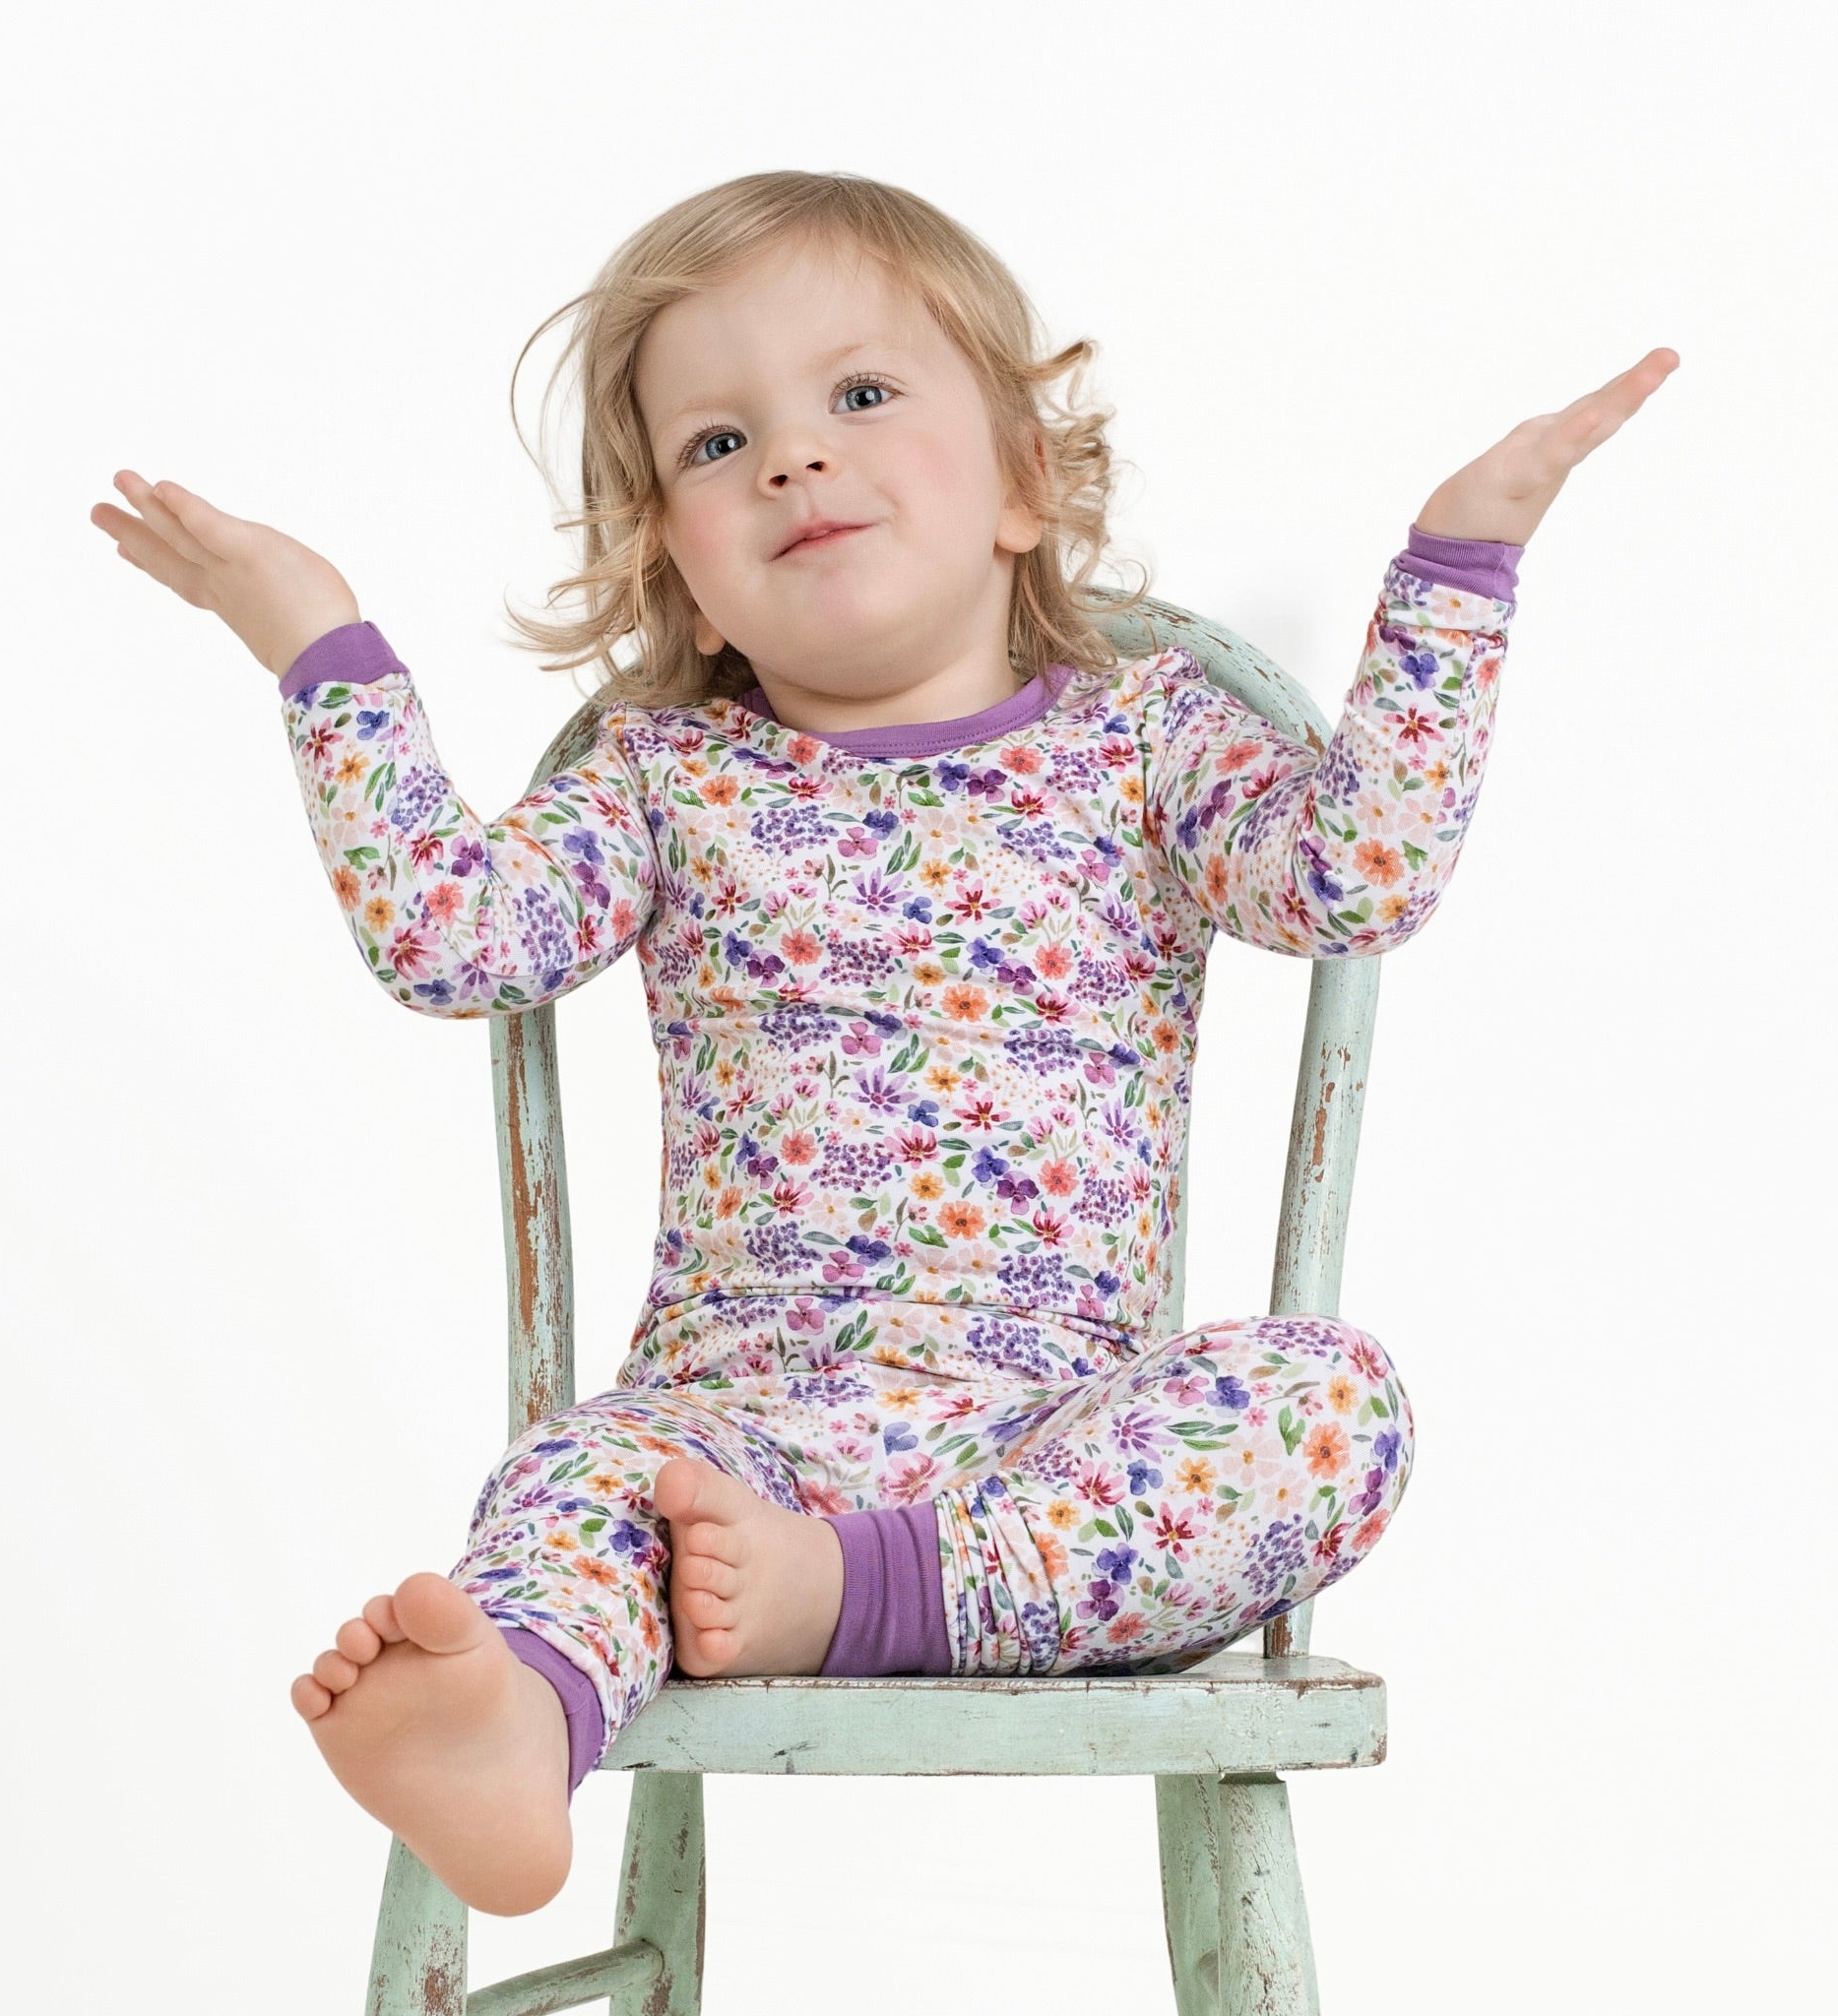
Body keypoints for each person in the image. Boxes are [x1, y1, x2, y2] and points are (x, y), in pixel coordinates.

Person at [89, 168, 1678, 1920]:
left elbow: (1354, 878)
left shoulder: (1149, 740)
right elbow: (454, 939)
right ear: (681, 586)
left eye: (857, 397)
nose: (789, 457)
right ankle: (516, 1718)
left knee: (1330, 1406)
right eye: (713, 443)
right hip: (730, 1443)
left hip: (1053, 1452)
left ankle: (853, 1591)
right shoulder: (663, 773)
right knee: (574, 1478)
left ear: (1021, 483)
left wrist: (1461, 562)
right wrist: (320, 642)